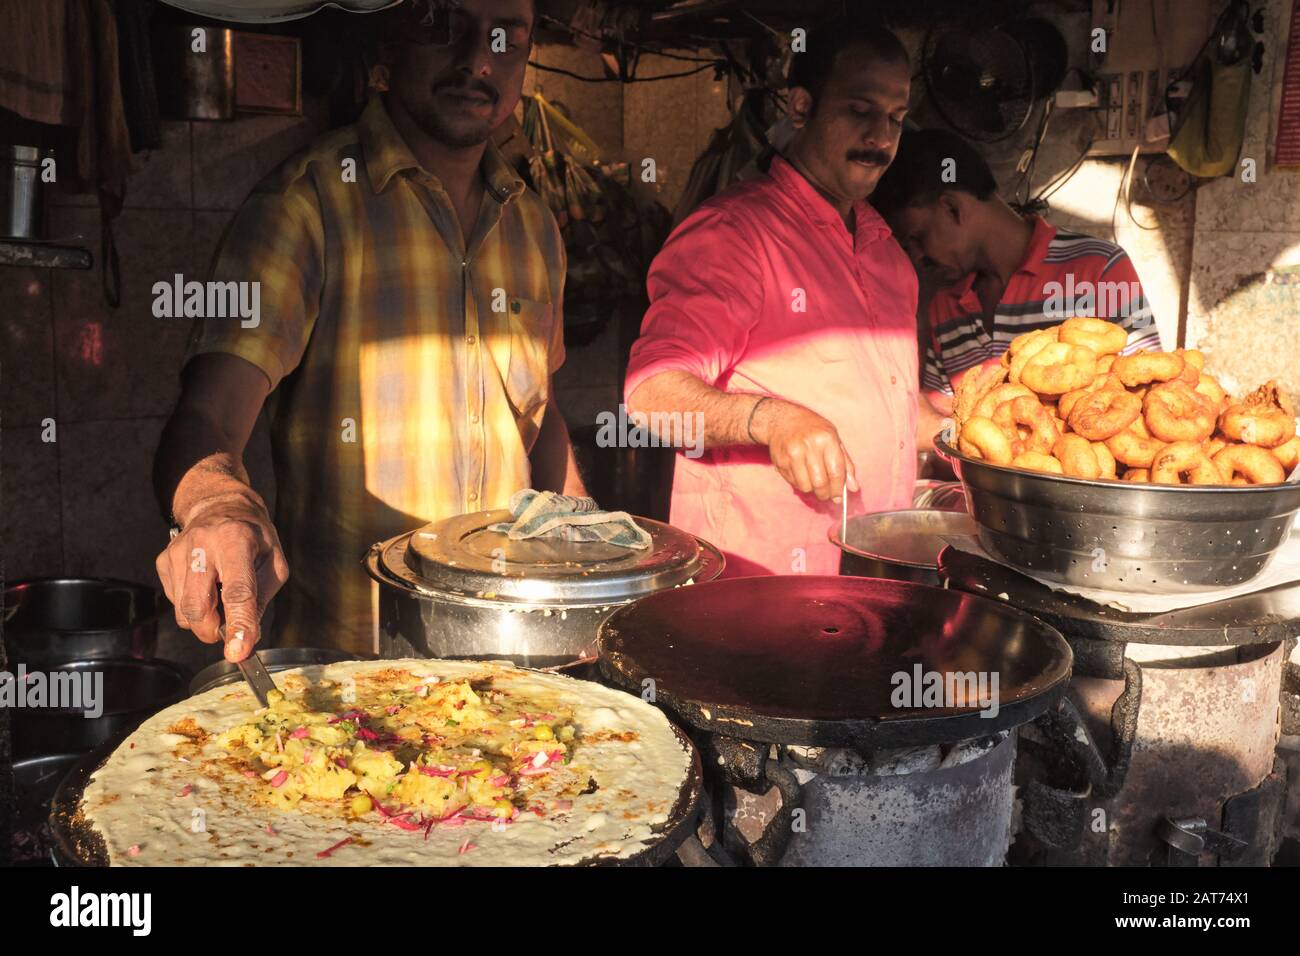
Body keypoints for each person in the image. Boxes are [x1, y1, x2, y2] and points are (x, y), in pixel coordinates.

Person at [153, 0, 585, 662]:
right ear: (391, 38)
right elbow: (207, 416)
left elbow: (538, 414)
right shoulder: (305, 205)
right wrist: (214, 507)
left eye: (505, 37)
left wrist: (587, 560)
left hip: (511, 661)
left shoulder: (535, 227)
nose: (477, 60)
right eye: (444, 26)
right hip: (351, 674)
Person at [623, 17, 918, 577]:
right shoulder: (733, 234)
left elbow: (889, 406)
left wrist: (970, 415)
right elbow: (651, 396)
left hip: (871, 579)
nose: (881, 137)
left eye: (896, 118)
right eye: (860, 110)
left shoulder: (886, 252)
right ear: (802, 106)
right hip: (754, 586)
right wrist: (773, 421)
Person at [869, 127, 1161, 445]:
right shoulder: (944, 303)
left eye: (917, 236)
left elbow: (1150, 396)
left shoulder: (1098, 270)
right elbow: (940, 429)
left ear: (952, 208)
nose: (917, 255)